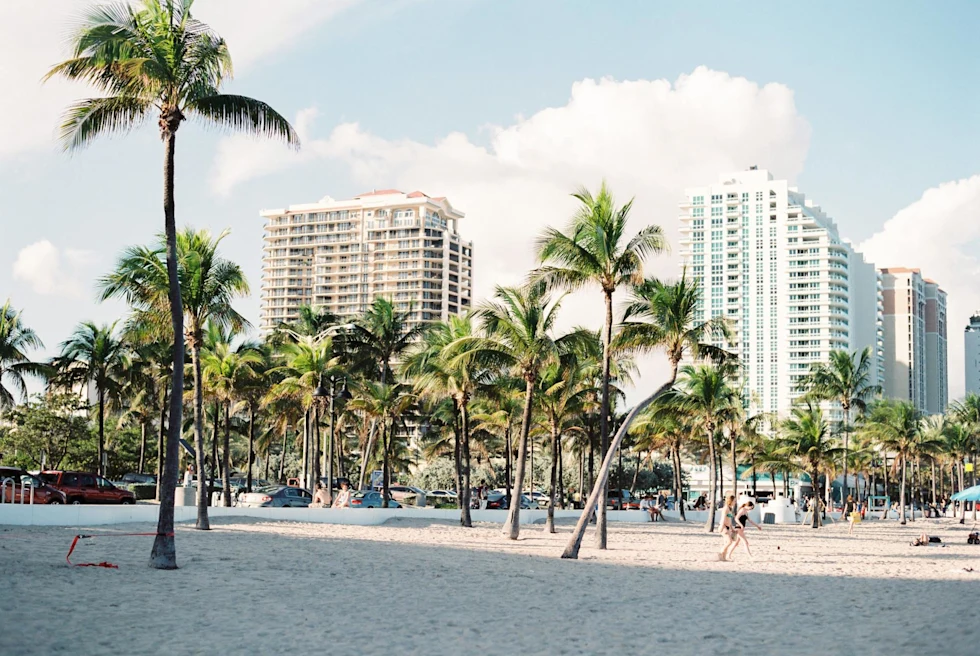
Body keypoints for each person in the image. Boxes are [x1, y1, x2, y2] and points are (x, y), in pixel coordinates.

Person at [718, 494, 737, 561]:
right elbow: (723, 518)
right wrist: (721, 527)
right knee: (729, 542)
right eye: (734, 501)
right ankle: (720, 553)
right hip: (724, 526)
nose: (735, 502)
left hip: (728, 526)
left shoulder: (730, 508)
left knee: (726, 542)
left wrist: (731, 528)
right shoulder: (725, 508)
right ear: (730, 501)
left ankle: (723, 557)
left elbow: (729, 519)